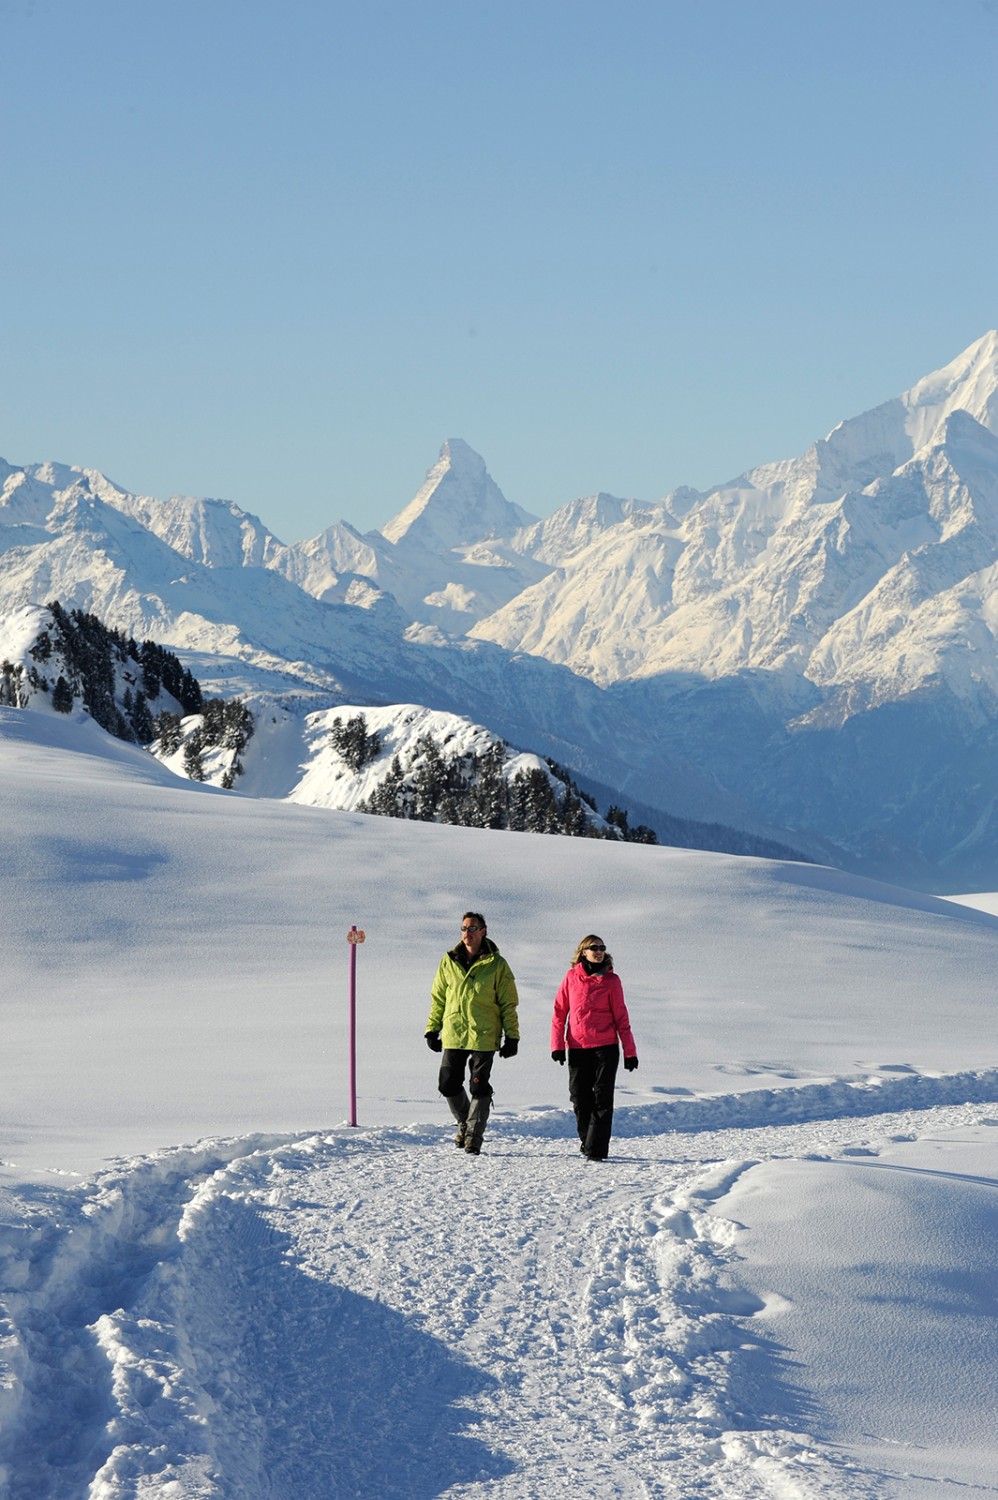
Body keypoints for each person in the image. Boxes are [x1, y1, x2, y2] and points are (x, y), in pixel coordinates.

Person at [425, 911, 520, 1155]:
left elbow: (508, 1003)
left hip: (484, 1033)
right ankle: (464, 1123)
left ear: (483, 931)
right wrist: (432, 1028)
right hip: (455, 1032)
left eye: (472, 928)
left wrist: (512, 1036)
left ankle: (473, 1136)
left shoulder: (497, 965)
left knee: (478, 1086)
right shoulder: (449, 961)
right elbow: (439, 998)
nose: (467, 933)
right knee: (447, 1083)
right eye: (464, 928)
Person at [550, 933, 637, 1161]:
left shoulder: (612, 980)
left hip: (605, 1048)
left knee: (602, 1098)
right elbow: (559, 1012)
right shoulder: (571, 978)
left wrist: (630, 1052)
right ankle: (587, 1140)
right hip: (577, 1047)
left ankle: (595, 1150)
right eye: (593, 947)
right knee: (579, 1097)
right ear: (583, 952)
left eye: (601, 947)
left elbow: (621, 1017)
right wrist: (557, 1045)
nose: (598, 951)